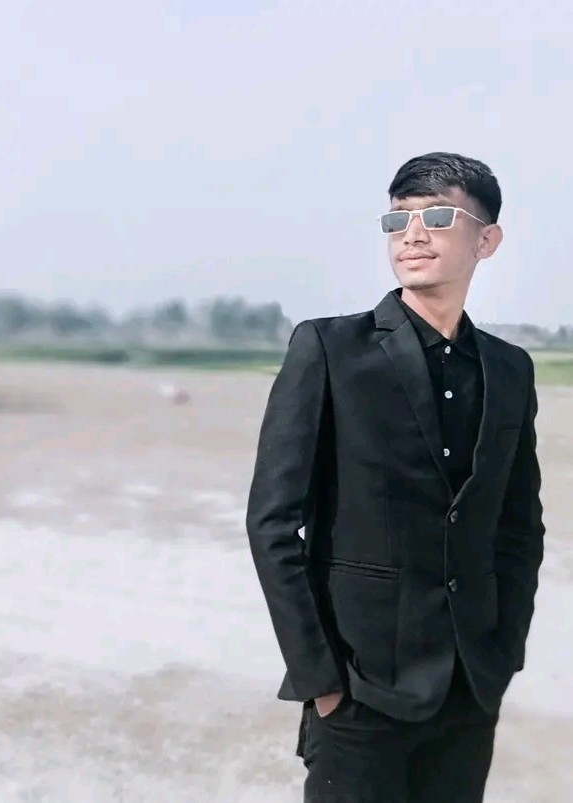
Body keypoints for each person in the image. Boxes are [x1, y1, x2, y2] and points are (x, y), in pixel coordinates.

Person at [246, 152, 544, 802]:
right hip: (359, 689)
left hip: (468, 688)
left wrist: (502, 653)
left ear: (486, 240)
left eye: (436, 217)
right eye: (397, 219)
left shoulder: (509, 370)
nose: (411, 235)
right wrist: (320, 678)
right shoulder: (329, 349)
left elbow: (519, 527)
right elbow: (271, 522)